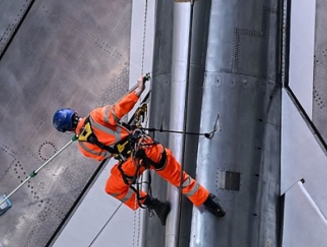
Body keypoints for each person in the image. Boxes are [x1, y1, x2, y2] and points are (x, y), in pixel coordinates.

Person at [53, 76, 224, 224]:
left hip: (131, 163)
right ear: (74, 113)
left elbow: (105, 153)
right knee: (179, 177)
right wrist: (139, 89)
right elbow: (118, 110)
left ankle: (153, 204)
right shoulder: (96, 116)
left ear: (67, 130)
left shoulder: (83, 147)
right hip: (147, 150)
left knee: (112, 187)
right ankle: (209, 203)